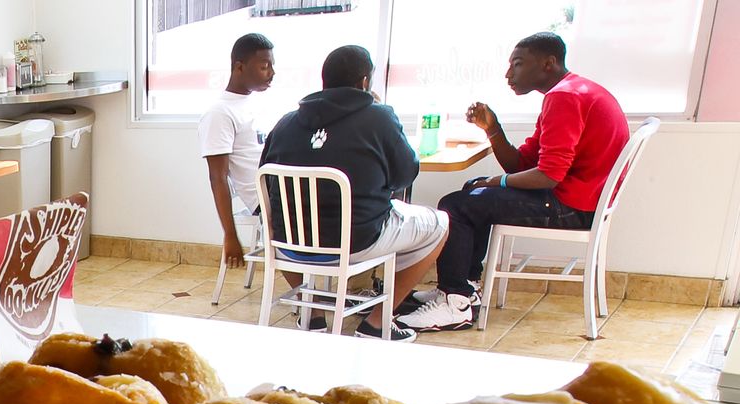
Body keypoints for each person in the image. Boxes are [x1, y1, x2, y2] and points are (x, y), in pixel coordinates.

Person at [400, 32, 628, 332]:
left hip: (572, 205)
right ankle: (463, 289)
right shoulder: (570, 92)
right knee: (473, 194)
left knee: (457, 204)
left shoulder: (565, 97)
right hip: (581, 200)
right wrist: (492, 129)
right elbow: (523, 164)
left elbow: (549, 175)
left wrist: (498, 181)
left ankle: (455, 302)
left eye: (518, 64)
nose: (509, 74)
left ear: (548, 63)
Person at [261, 45, 448, 341]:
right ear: (364, 82)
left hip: (289, 243)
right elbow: (405, 175)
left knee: (284, 228)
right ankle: (376, 324)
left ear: (324, 81)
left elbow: (269, 188)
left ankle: (315, 314)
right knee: (440, 225)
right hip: (357, 242)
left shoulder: (284, 123)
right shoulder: (380, 118)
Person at [200, 33, 276, 272]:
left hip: (281, 189)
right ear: (239, 67)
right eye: (265, 67)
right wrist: (230, 235)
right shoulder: (220, 113)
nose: (272, 73)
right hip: (267, 200)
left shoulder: (256, 104)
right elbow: (217, 178)